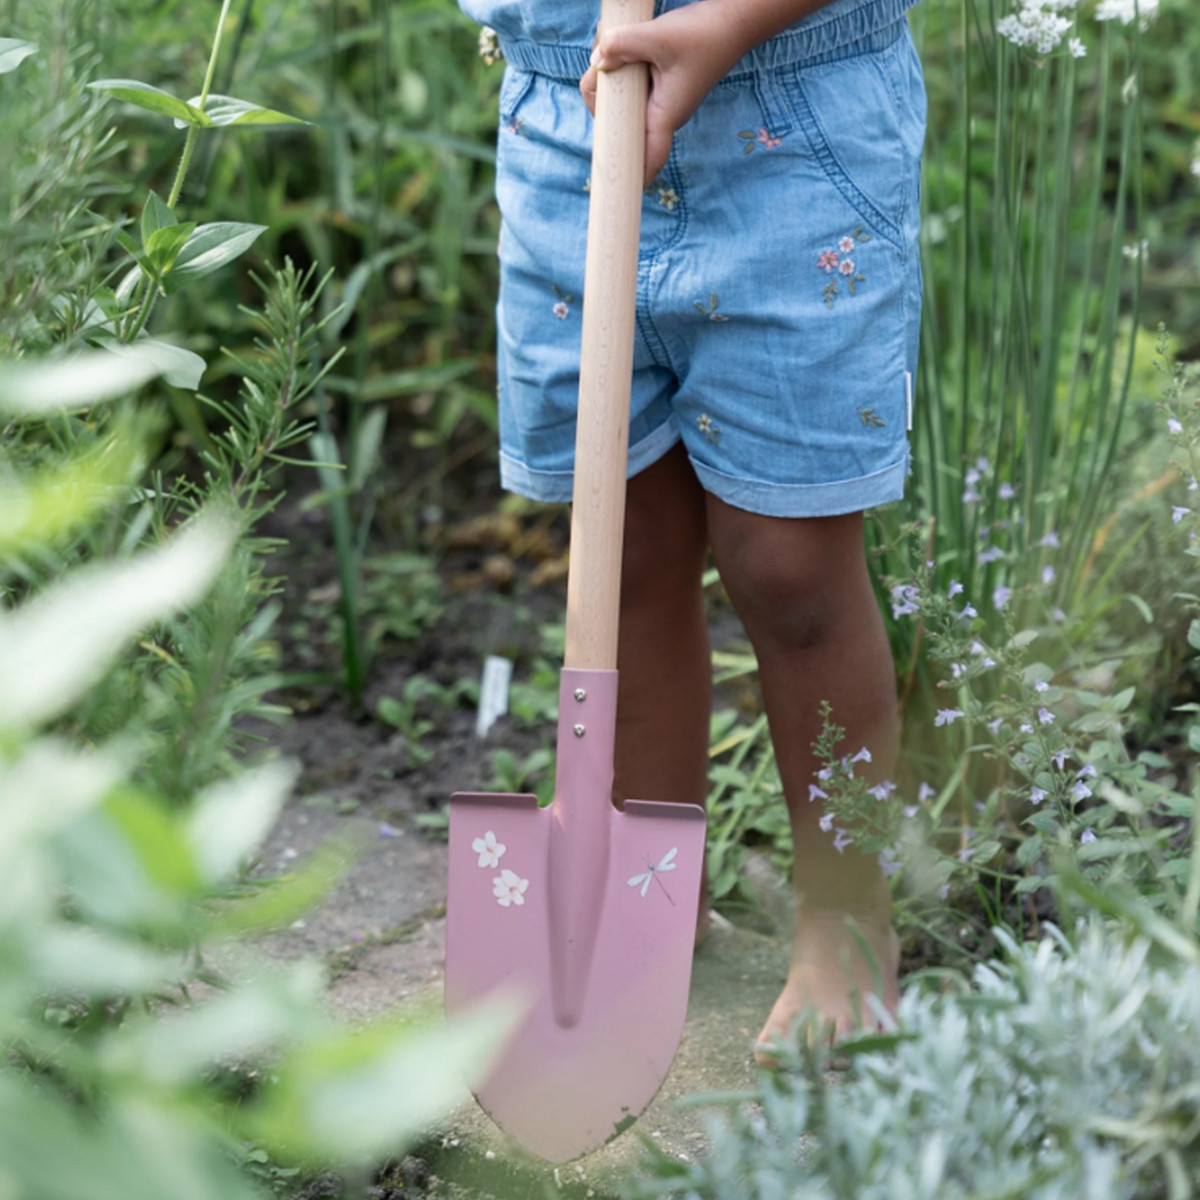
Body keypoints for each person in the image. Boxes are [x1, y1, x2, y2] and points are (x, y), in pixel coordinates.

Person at [459, 0, 927, 1061]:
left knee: (792, 564)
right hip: (564, 121)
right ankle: (640, 898)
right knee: (623, 542)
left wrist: (727, 23)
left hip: (794, 131)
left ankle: (847, 923)